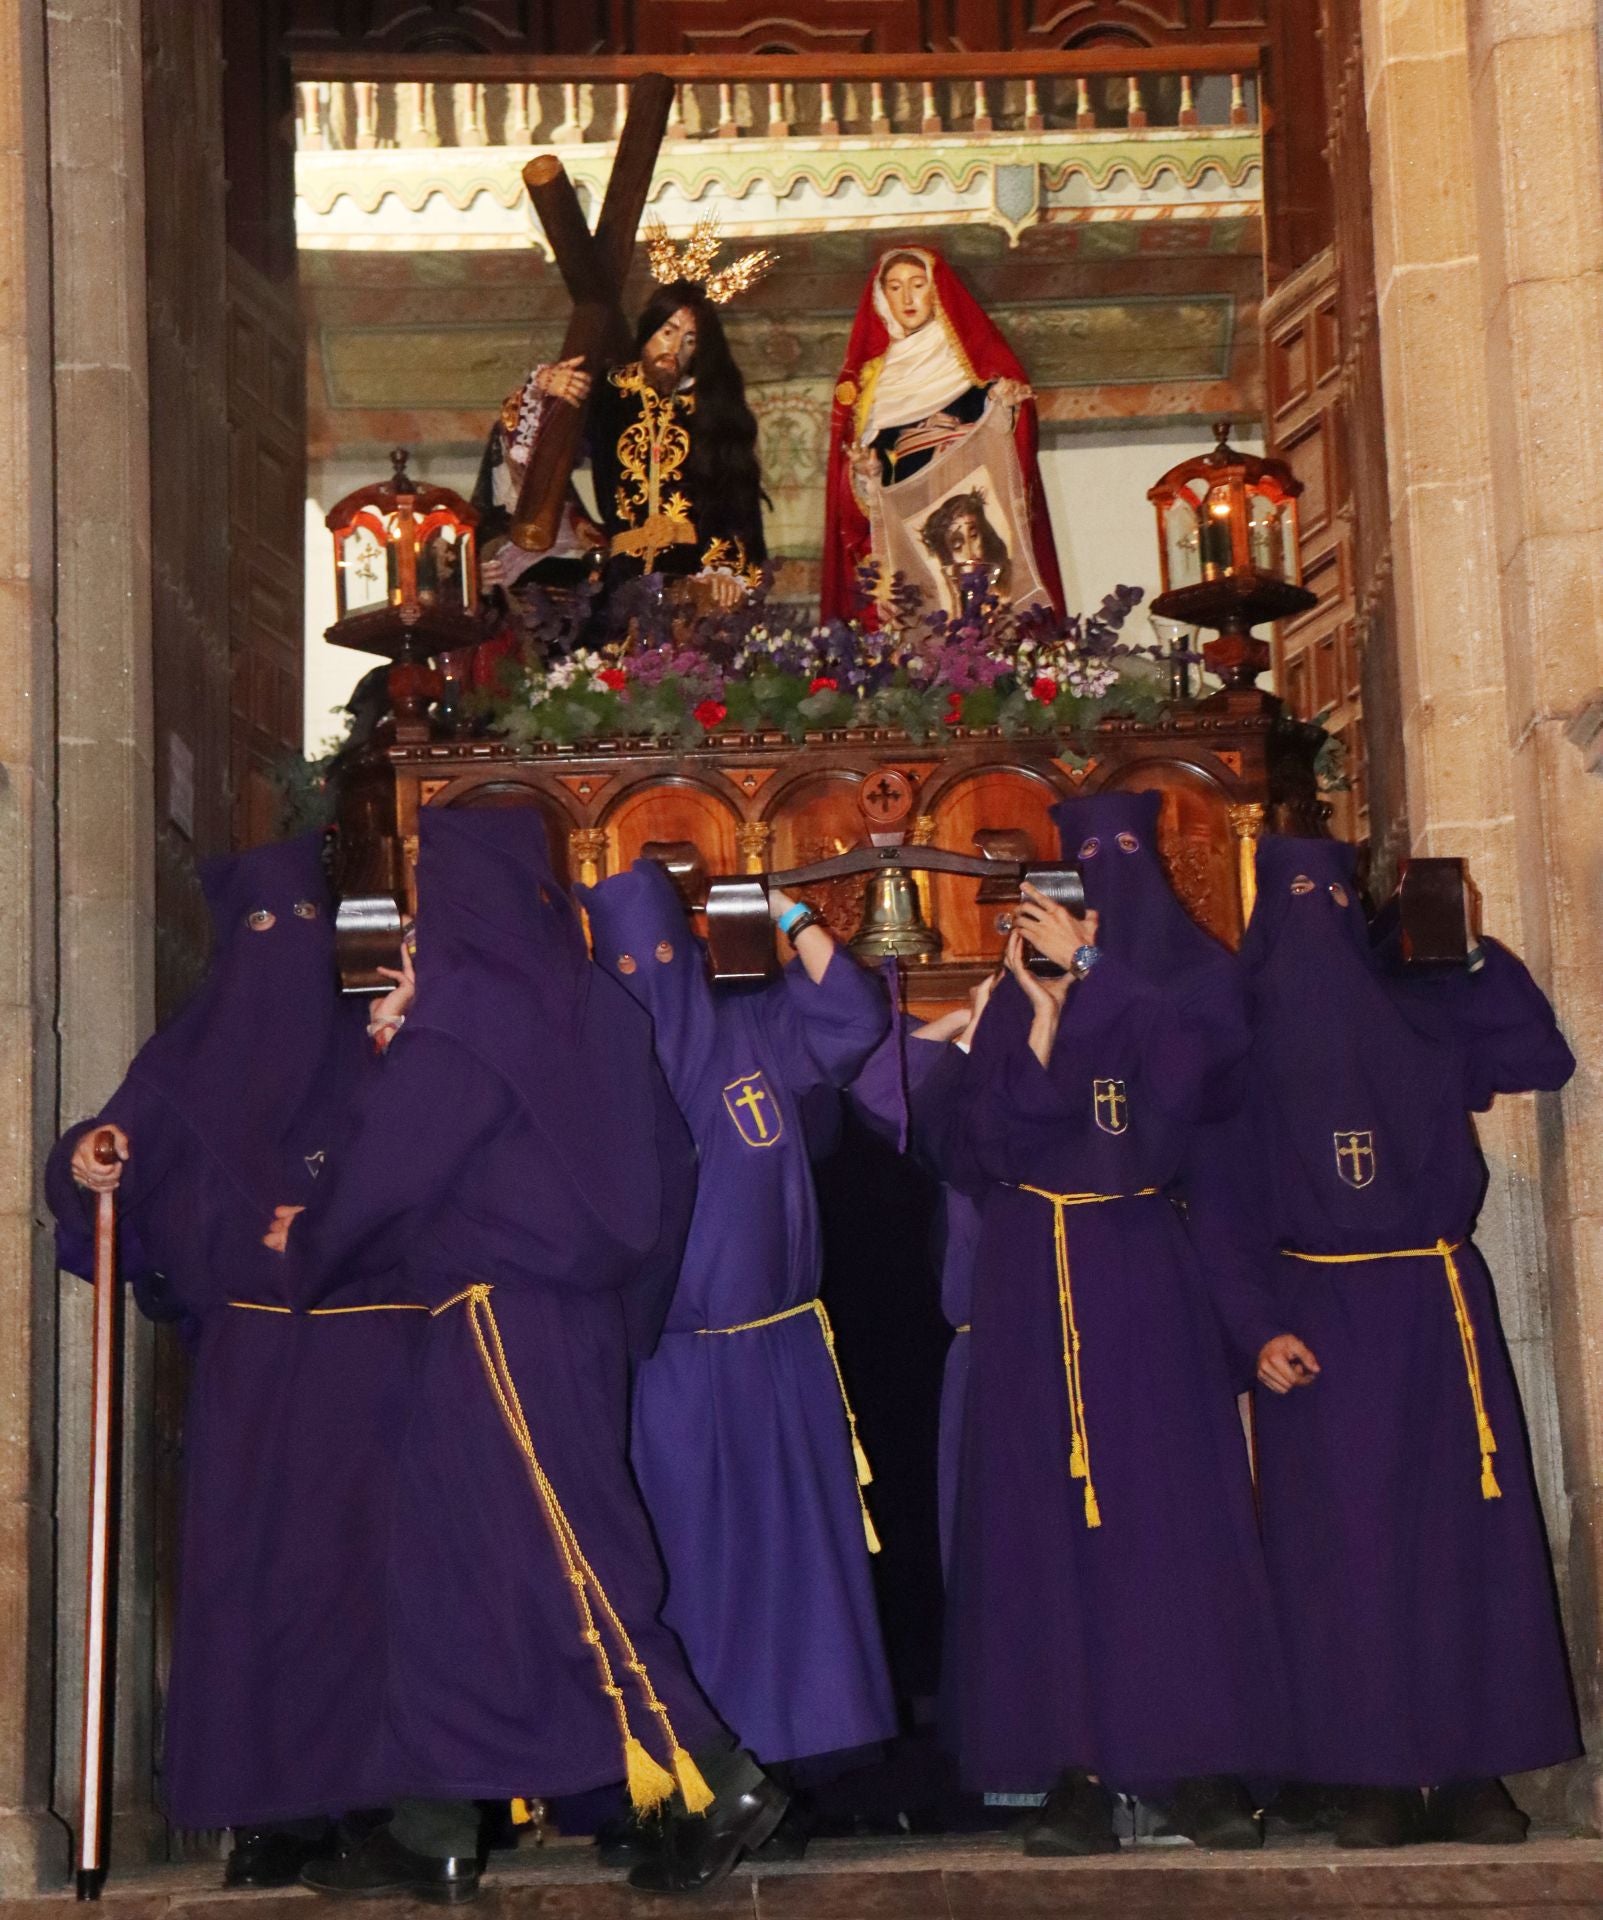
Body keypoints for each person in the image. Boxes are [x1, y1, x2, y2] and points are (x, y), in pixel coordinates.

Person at [280, 809, 786, 1901]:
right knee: (449, 1576)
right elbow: (672, 1165)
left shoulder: (468, 1021)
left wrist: (309, 1244)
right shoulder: (593, 1003)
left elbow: (389, 1166)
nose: (417, 913)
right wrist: (625, 1312)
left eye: (427, 883)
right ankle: (433, 1822)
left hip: (493, 1324)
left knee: (574, 1565)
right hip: (563, 1322)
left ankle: (713, 1777)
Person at [1191, 836, 1580, 1848]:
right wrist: (1256, 1328)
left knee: (1463, 1539)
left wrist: (1470, 951)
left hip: (1433, 1306)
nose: (1312, 923)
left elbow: (1539, 1057)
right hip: (1314, 1318)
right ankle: (1364, 1775)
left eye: (1331, 899)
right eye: (1294, 907)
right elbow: (1220, 1213)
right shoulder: (1241, 1048)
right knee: (1341, 1557)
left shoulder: (1420, 1009)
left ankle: (1470, 1768)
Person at [926, 790, 1289, 1853]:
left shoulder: (1178, 993)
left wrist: (1094, 977)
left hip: (1140, 1274)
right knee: (1042, 1526)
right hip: (1031, 1281)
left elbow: (1185, 1102)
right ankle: (1071, 1767)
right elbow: (979, 1154)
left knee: (1169, 1519)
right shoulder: (1010, 1002)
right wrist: (1031, 1023)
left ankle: (1196, 1762)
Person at [47, 835, 381, 1886]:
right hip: (245, 1368)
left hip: (363, 1366)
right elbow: (102, 1159)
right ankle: (266, 1810)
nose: (290, 949)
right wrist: (87, 1158)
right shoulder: (178, 1064)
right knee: (250, 1583)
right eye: (265, 929)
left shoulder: (368, 1051)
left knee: (357, 1587)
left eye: (309, 925)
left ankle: (370, 1802)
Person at [578, 862, 896, 1842]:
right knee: (688, 1584)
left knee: (788, 1579)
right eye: (629, 962)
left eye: (667, 954)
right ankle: (676, 1781)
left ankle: (792, 1766)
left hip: (776, 1355)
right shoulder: (597, 1063)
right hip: (663, 1377)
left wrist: (790, 913)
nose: (652, 975)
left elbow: (853, 1016)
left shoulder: (754, 1026)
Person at [821, 245, 1064, 624]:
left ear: (936, 290)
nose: (907, 297)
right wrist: (867, 473)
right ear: (881, 297)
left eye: (918, 285)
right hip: (913, 520)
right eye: (895, 287)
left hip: (974, 508)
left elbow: (1011, 444)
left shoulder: (970, 359)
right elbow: (866, 488)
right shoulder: (873, 379)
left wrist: (1006, 406)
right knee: (923, 621)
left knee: (987, 617)